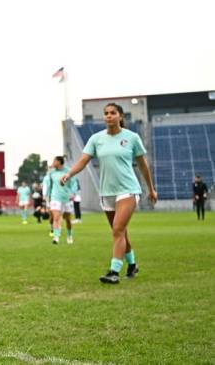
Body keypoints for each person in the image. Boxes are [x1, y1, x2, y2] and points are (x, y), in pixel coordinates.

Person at [62, 103, 157, 284]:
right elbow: (83, 161)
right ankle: (132, 264)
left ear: (120, 116)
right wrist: (69, 174)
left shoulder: (132, 137)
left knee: (118, 229)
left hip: (128, 190)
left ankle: (114, 271)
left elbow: (143, 166)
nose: (108, 116)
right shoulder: (96, 139)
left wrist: (151, 189)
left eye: (113, 113)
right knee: (120, 232)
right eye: (106, 113)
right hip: (107, 193)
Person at [42, 156, 75, 245]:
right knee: (56, 217)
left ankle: (69, 235)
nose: (53, 162)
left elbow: (74, 183)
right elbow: (48, 184)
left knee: (67, 219)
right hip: (55, 197)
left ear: (59, 162)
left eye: (54, 161)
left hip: (66, 197)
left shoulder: (68, 171)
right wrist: (45, 195)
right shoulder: (51, 173)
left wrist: (73, 193)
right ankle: (56, 237)